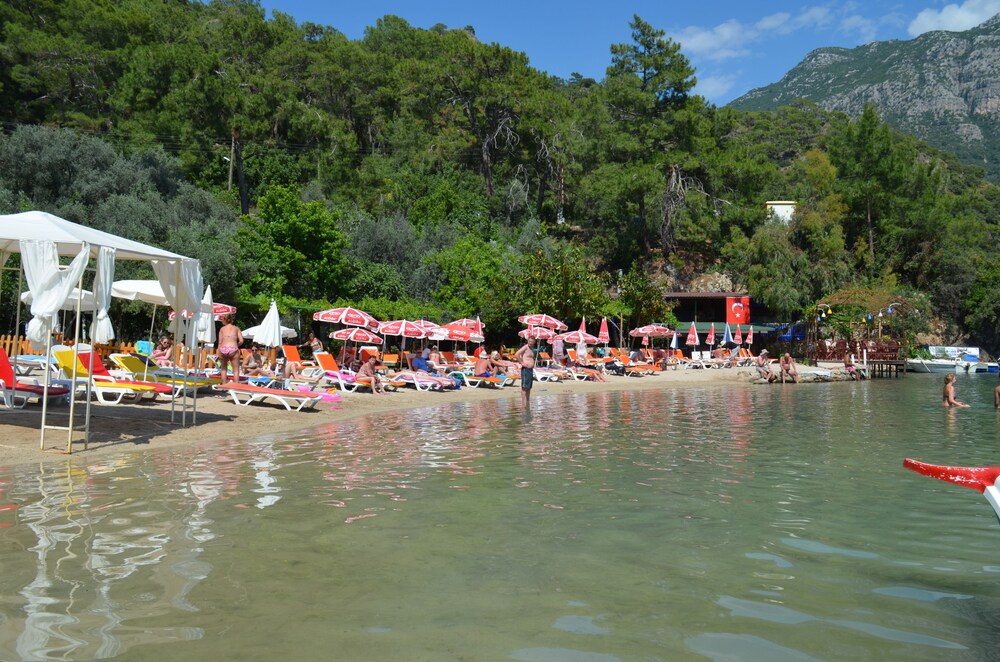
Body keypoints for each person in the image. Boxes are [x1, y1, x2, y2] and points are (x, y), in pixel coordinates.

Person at [217, 314, 243, 381]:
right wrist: (237, 345)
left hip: (223, 348)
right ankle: (236, 385)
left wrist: (218, 353)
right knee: (236, 370)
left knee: (223, 369)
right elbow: (241, 341)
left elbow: (220, 342)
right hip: (233, 348)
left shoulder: (222, 329)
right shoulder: (236, 328)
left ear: (224, 320)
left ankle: (224, 385)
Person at [513, 337, 536, 408]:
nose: (530, 343)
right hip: (525, 369)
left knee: (529, 387)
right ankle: (523, 402)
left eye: (532, 342)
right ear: (527, 341)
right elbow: (516, 354)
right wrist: (522, 363)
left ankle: (527, 401)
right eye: (529, 341)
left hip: (530, 369)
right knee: (525, 387)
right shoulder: (525, 347)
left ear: (534, 342)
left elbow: (530, 358)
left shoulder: (532, 348)